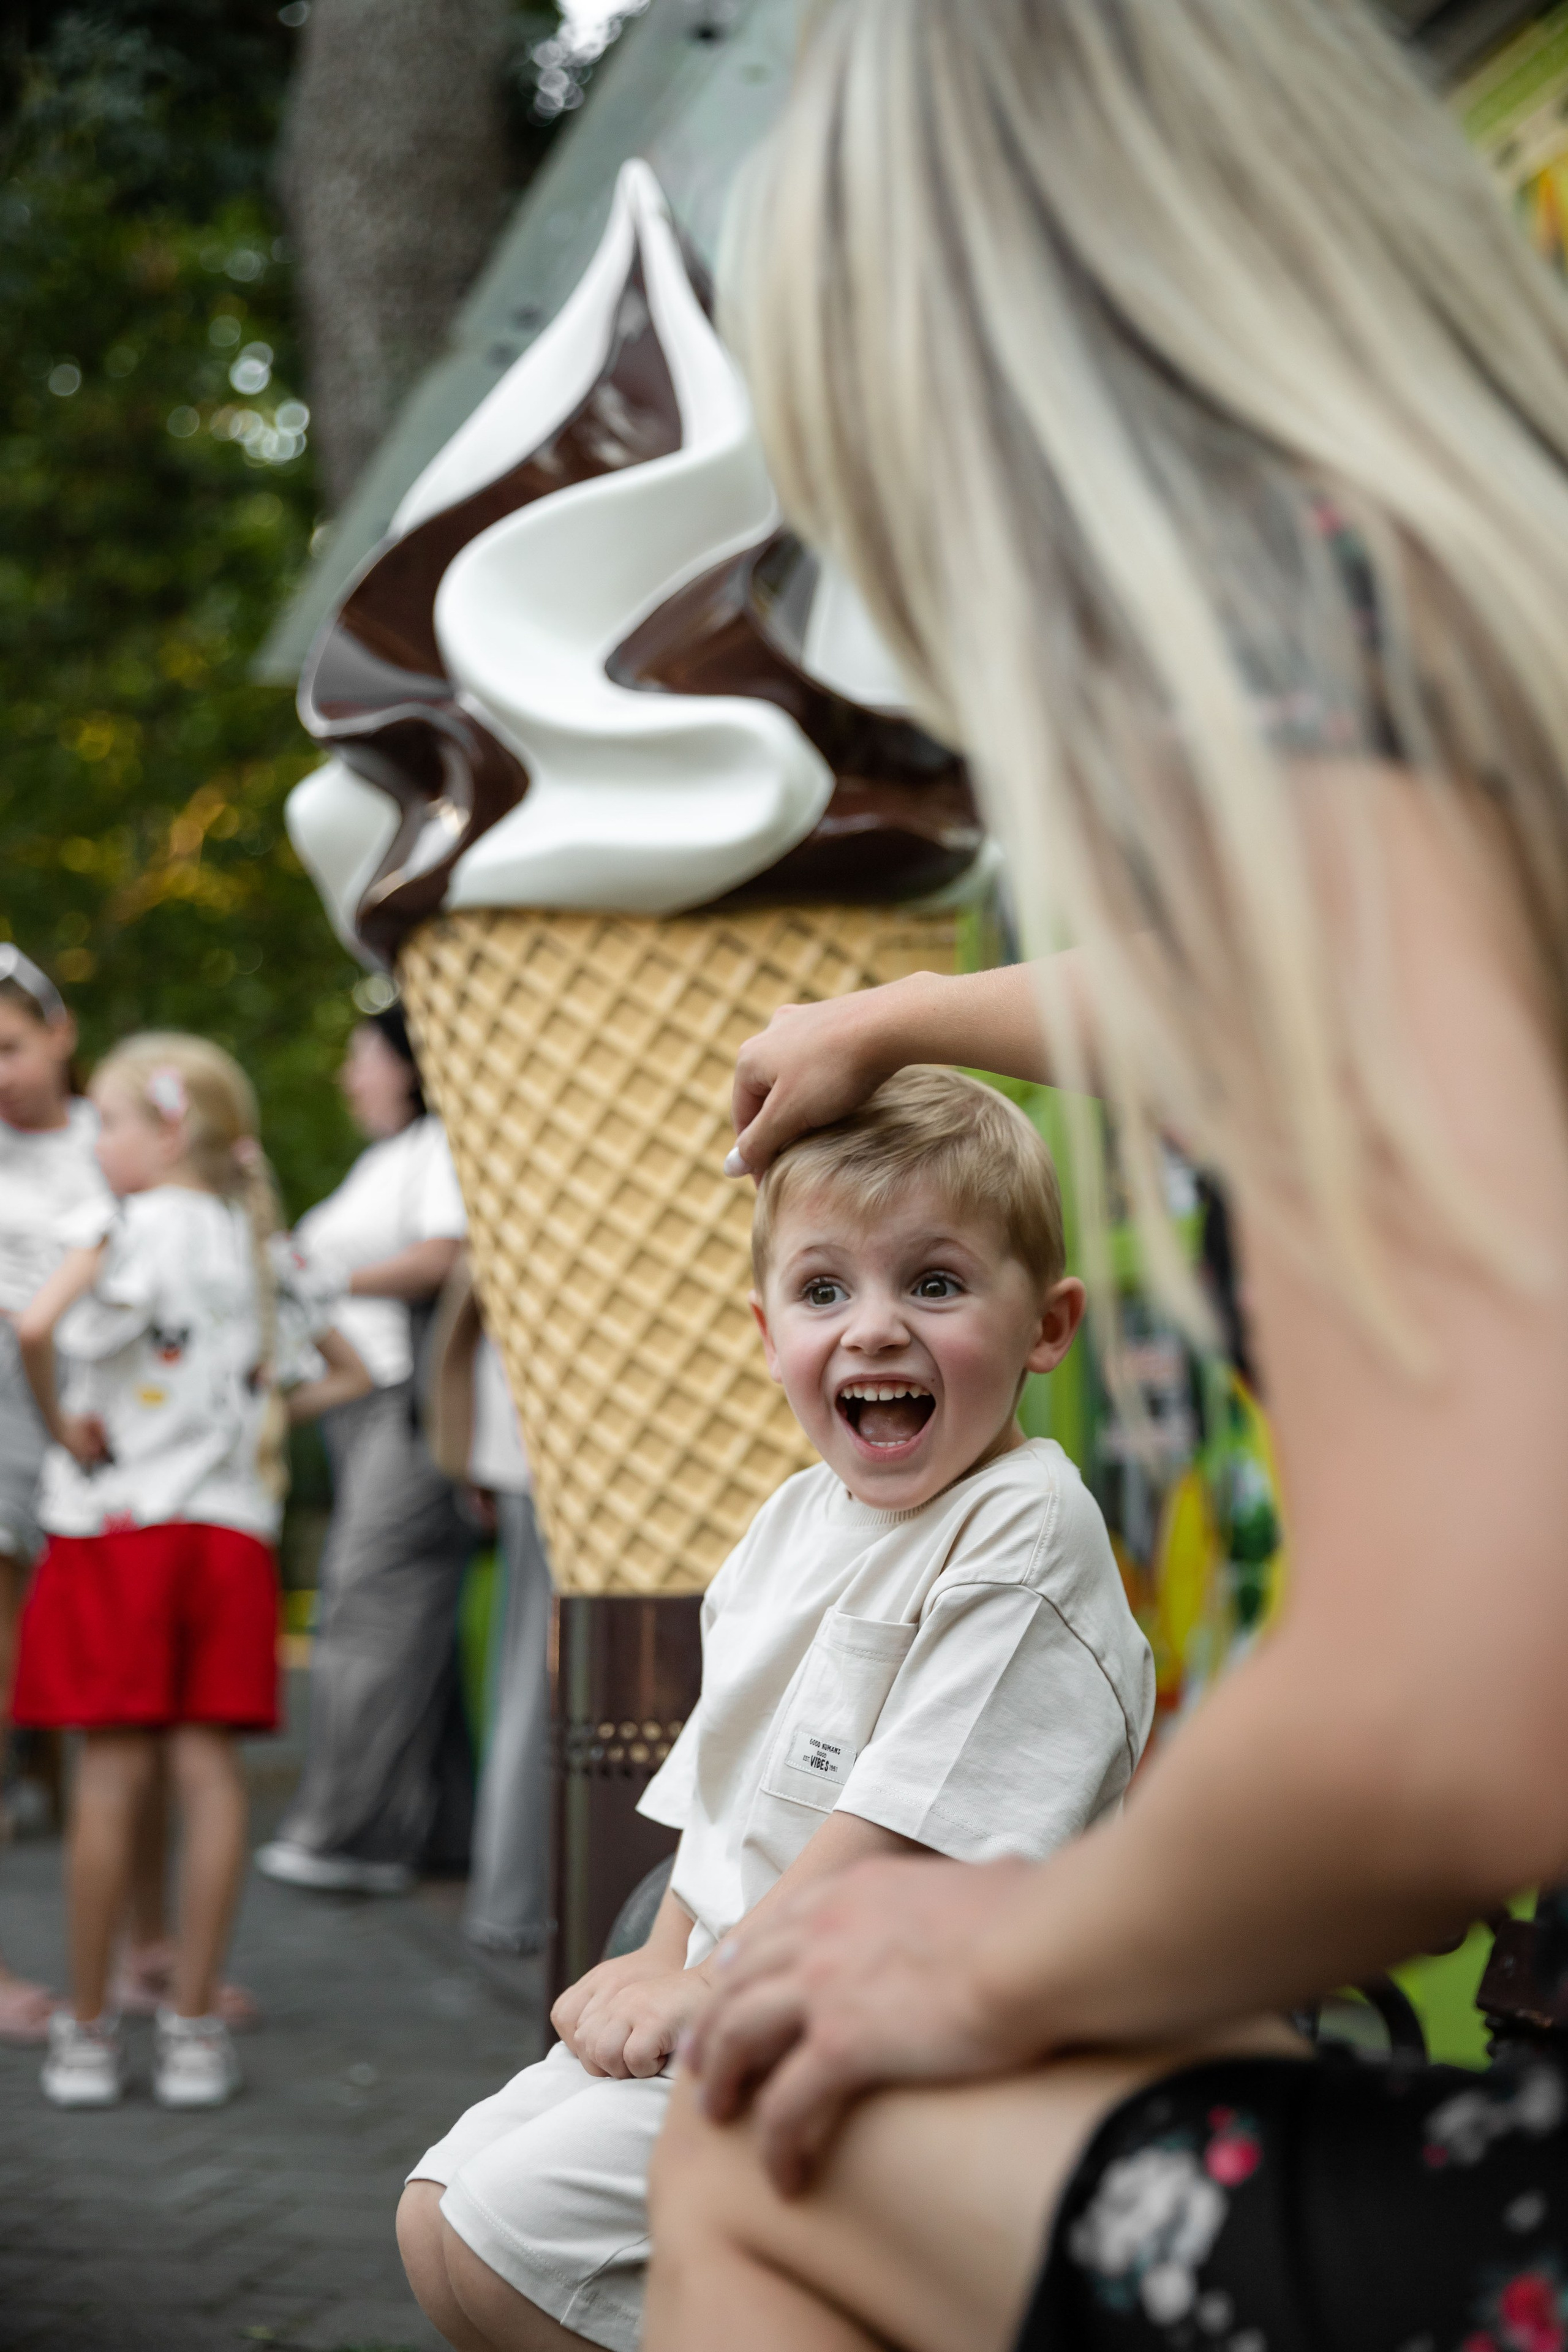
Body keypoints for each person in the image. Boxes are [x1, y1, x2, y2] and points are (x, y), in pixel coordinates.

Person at [632, 4, 1568, 2349]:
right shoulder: (1492, 624)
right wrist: (911, 1020)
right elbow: (1334, 962)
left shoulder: (1314, 633)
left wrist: (1007, 1942)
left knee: (766, 2130)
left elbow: (1457, 1707)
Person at [398, 1065, 1154, 2352]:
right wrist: (660, 1953)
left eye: (933, 1282)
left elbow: (905, 1831)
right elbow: (730, 1793)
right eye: (823, 1290)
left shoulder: (1022, 1525)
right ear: (766, 1337)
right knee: (438, 2214)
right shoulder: (793, 1523)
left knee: (512, 2228)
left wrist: (722, 1982)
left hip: (892, 2036)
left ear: (1047, 1324)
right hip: (750, 1989)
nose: (870, 1329)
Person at [10, 1033, 370, 2108]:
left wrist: (64, 1427)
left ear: (168, 1130)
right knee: (209, 1774)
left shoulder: (117, 1226)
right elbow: (347, 1369)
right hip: (228, 1534)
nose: (96, 1139)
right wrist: (252, 1413)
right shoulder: (263, 1245)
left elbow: (34, 1325)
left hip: (115, 1528)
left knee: (110, 1773)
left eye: (110, 1121)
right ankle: (194, 2031)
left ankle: (84, 2034)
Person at [256, 1003, 473, 1896]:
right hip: (363, 1409)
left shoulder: (438, 1150)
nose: (350, 1077)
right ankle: (446, 1831)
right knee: (410, 1616)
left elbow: (443, 1258)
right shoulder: (384, 1160)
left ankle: (351, 1835)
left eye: (362, 1058)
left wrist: (320, 1277)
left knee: (367, 1605)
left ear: (408, 1065)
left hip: (407, 1404)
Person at [0, 946, 108, 2043]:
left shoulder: (111, 1140)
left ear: (59, 1030)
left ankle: (142, 1957)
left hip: (110, 1443)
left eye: (9, 1047)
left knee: (112, 1710)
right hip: (3, 1436)